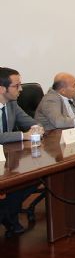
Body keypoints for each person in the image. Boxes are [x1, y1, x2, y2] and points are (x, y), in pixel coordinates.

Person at [0, 67, 44, 237]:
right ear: (2, 89)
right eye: (17, 86)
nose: (21, 89)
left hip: (8, 157)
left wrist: (37, 128)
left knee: (35, 175)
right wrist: (24, 135)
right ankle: (9, 216)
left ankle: (7, 214)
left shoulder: (12, 104)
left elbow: (29, 121)